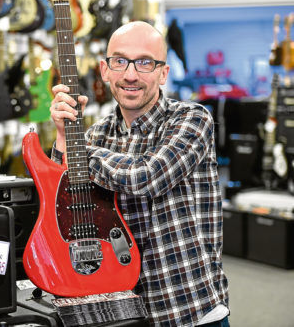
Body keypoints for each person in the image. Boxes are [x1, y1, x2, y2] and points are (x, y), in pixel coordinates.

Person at [50, 21, 229, 326]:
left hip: (187, 310)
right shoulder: (96, 134)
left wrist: (80, 152)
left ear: (163, 73)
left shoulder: (192, 120)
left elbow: (145, 177)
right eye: (120, 61)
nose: (130, 75)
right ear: (105, 70)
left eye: (145, 62)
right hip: (119, 311)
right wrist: (64, 140)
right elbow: (63, 204)